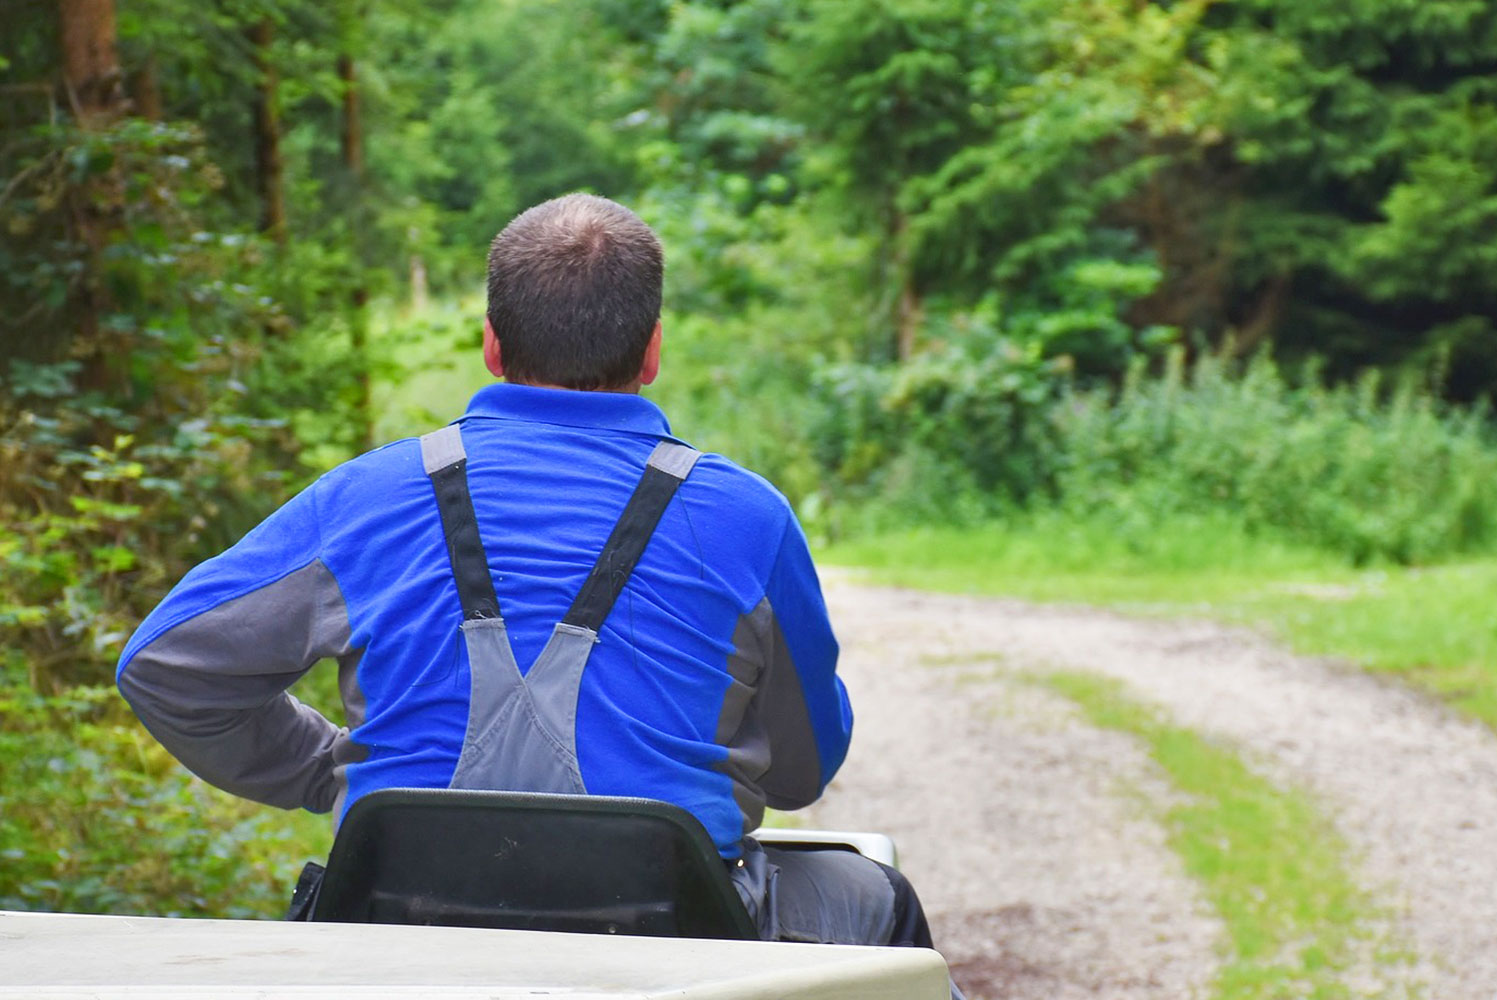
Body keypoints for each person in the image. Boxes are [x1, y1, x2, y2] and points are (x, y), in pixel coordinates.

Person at [117, 193, 952, 970]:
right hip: (677, 936)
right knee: (881, 899)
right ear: (653, 349)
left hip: (395, 925)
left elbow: (166, 668)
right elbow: (802, 774)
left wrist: (327, 769)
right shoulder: (747, 517)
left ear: (491, 341)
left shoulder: (365, 497)